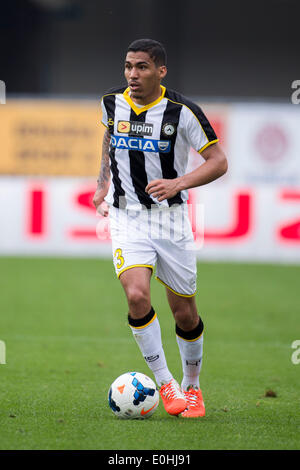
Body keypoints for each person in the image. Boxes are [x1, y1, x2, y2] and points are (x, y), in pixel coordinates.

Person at [93, 39, 227, 418]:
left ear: (160, 70)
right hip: (126, 216)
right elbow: (108, 140)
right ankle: (166, 382)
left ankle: (193, 386)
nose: (132, 75)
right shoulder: (111, 102)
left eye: (142, 67)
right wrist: (102, 183)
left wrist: (178, 183)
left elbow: (218, 161)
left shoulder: (183, 112)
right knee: (136, 296)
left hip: (169, 221)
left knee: (184, 312)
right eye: (128, 67)